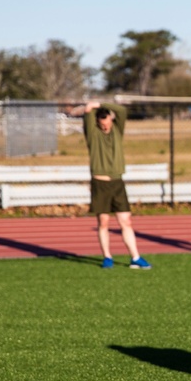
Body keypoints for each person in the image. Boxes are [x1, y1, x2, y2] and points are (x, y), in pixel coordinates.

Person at [70, 100, 151, 270]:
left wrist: (101, 104)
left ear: (111, 120)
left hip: (117, 182)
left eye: (107, 123)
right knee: (104, 222)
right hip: (100, 183)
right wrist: (90, 109)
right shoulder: (93, 133)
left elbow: (121, 110)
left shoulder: (117, 130)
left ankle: (135, 257)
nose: (105, 127)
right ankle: (107, 256)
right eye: (102, 124)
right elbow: (88, 113)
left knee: (126, 221)